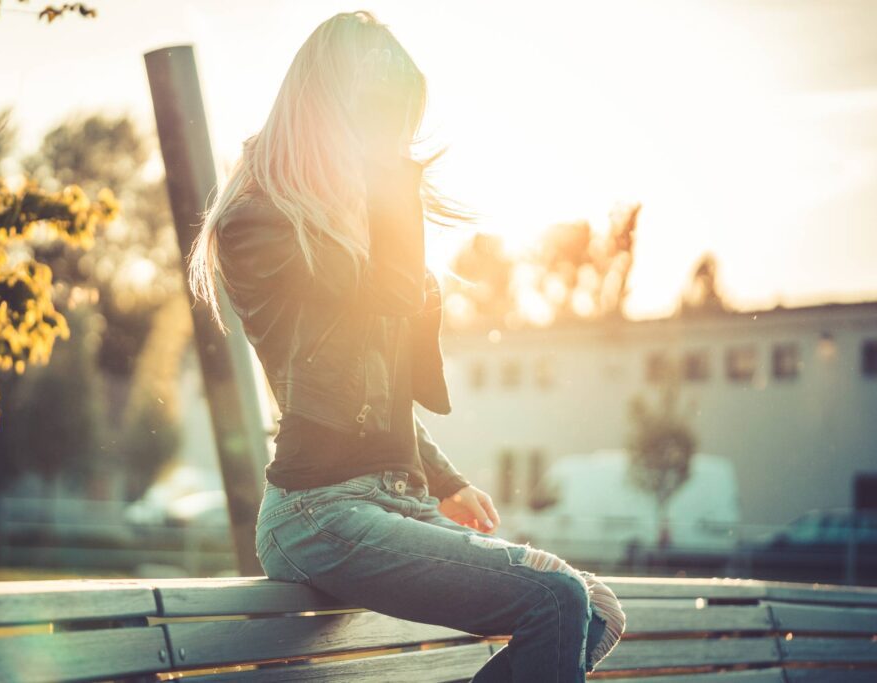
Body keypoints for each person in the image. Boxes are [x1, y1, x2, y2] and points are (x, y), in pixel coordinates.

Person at [187, 11, 625, 681]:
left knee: (596, 609)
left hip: (397, 498)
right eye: (385, 123)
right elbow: (337, 362)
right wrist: (391, 199)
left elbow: (378, 384)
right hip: (318, 511)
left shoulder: (361, 221)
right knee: (555, 598)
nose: (396, 146)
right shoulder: (261, 224)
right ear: (337, 115)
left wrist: (443, 477)